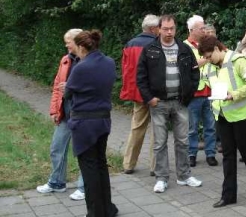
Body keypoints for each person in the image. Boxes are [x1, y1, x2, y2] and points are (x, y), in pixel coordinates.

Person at [136, 14, 202, 193]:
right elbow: (140, 78)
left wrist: (189, 94)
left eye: (172, 28)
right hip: (159, 104)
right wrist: (149, 98)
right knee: (160, 143)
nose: (169, 32)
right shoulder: (150, 49)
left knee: (183, 141)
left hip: (180, 102)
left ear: (176, 28)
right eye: (165, 29)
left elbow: (195, 73)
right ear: (158, 29)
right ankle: (162, 178)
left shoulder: (184, 48)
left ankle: (184, 176)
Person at [198, 35, 246, 208]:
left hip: (244, 116)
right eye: (205, 57)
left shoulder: (238, 60)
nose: (207, 60)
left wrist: (233, 95)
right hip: (223, 115)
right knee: (228, 155)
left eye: (209, 56)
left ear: (218, 49)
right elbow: (207, 81)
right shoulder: (210, 66)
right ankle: (228, 195)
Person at [66, 30, 118, 217]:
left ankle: (96, 212)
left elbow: (68, 92)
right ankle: (108, 208)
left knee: (89, 169)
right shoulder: (110, 62)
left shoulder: (81, 67)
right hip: (104, 120)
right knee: (101, 165)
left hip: (84, 123)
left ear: (81, 47)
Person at [36, 28, 85, 201]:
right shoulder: (65, 60)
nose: (66, 45)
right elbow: (57, 86)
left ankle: (84, 187)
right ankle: (57, 182)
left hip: (81, 114)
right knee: (57, 148)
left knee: (82, 152)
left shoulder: (88, 61)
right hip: (64, 113)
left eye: (68, 42)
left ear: (78, 41)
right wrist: (54, 110)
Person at [121, 14, 160, 175]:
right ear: (152, 29)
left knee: (136, 128)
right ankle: (155, 166)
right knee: (157, 130)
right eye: (159, 27)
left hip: (137, 93)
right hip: (154, 95)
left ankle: (128, 164)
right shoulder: (157, 44)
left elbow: (126, 71)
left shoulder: (130, 44)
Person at [184, 15, 218, 167]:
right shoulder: (184, 46)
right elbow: (188, 65)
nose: (204, 30)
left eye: (205, 27)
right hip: (194, 92)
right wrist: (207, 59)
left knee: (210, 126)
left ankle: (211, 154)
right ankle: (191, 154)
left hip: (210, 90)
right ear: (192, 30)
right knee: (192, 127)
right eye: (202, 28)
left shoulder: (207, 44)